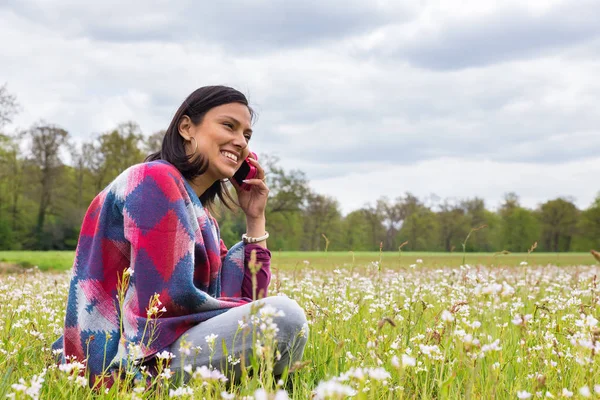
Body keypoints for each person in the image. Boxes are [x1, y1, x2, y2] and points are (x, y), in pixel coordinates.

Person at [51, 86, 308, 388]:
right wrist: (255, 313)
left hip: (163, 350)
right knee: (285, 317)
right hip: (130, 364)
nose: (240, 142)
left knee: (277, 317)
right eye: (229, 126)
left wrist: (255, 218)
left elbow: (252, 303)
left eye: (247, 136)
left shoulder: (202, 218)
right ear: (187, 127)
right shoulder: (153, 181)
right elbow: (166, 303)